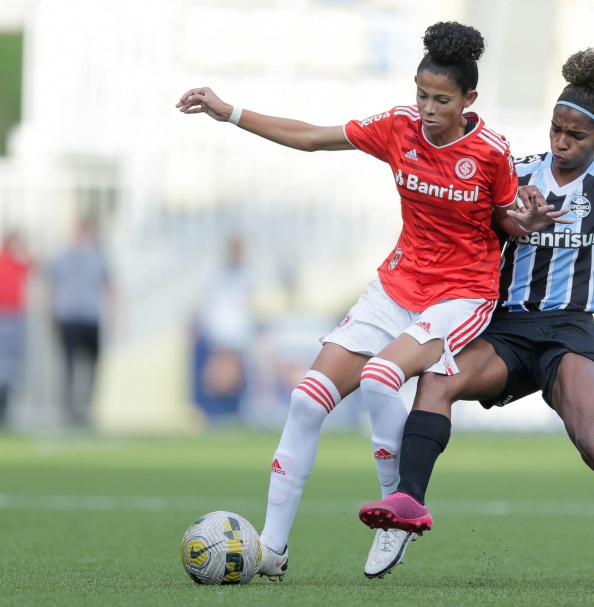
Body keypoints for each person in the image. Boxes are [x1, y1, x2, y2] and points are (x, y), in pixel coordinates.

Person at [176, 21, 562, 582]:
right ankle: (273, 550)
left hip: (461, 292)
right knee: (307, 400)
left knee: (383, 378)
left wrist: (524, 222)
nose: (427, 109)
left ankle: (395, 513)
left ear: (468, 100)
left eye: (441, 99)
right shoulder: (397, 127)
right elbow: (310, 137)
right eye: (421, 95)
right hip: (396, 285)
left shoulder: (490, 152)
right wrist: (229, 111)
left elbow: (505, 222)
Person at [359, 48, 594, 593]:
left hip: (568, 332)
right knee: (438, 378)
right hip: (506, 329)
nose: (562, 141)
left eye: (575, 135)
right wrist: (515, 221)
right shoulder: (517, 172)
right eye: (556, 129)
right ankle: (408, 503)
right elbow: (487, 224)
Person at [49, 219, 114, 427]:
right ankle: (68, 410)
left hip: (91, 317)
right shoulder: (64, 257)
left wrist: (115, 318)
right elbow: (54, 287)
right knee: (69, 366)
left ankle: (86, 409)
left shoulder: (98, 258)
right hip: (69, 316)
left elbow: (109, 287)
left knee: (93, 366)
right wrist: (52, 315)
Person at [191, 234, 255, 420]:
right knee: (218, 373)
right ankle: (215, 413)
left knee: (232, 373)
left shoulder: (246, 274)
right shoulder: (217, 273)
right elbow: (206, 300)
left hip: (236, 331)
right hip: (220, 329)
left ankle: (230, 413)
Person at [0, 230, 30, 425]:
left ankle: (6, 402)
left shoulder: (19, 263)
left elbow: (32, 263)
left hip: (15, 315)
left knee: (12, 362)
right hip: (3, 314)